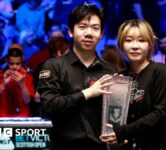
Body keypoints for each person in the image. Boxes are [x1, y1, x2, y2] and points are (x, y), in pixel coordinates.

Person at [37, 4, 116, 149]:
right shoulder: (53, 66)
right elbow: (49, 106)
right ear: (71, 31)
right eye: (83, 27)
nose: (89, 33)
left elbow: (115, 114)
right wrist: (87, 93)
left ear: (102, 34)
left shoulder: (109, 71)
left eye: (95, 28)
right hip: (63, 146)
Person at [100, 19, 166, 150]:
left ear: (150, 44)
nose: (135, 46)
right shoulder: (120, 78)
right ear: (121, 45)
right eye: (129, 40)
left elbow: (160, 113)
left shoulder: (159, 71)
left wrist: (123, 132)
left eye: (141, 40)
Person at [0, 47, 35, 117]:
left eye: (18, 63)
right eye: (11, 64)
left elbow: (27, 101)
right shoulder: (1, 76)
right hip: (3, 118)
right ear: (7, 61)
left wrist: (22, 84)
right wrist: (4, 84)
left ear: (22, 61)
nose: (14, 67)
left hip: (23, 118)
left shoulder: (28, 77)